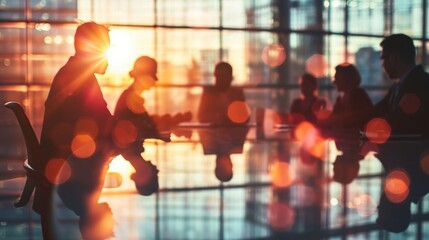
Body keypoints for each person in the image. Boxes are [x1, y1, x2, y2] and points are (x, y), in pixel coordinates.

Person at [40, 21, 116, 239]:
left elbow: (102, 122)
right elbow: (105, 123)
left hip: (63, 165)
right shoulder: (81, 79)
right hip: (67, 167)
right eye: (105, 51)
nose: (108, 59)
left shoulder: (75, 74)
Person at [369, 33, 429, 232]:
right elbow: (379, 114)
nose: (383, 64)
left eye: (383, 58)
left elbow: (396, 120)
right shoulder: (403, 85)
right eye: (381, 208)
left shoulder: (419, 84)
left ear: (394, 59)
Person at [114, 56, 191, 195]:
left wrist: (161, 132)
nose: (157, 169)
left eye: (155, 175)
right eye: (153, 74)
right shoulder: (132, 98)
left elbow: (148, 125)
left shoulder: (131, 98)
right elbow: (149, 125)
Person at [197, 61, 249, 181]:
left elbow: (245, 117)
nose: (219, 79)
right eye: (217, 76)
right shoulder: (209, 92)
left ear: (231, 78)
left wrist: (219, 117)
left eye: (222, 76)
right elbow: (201, 117)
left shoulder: (237, 93)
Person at [319, 63, 373, 129]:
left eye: (337, 78)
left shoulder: (359, 96)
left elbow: (359, 118)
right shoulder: (340, 99)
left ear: (346, 78)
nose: (334, 82)